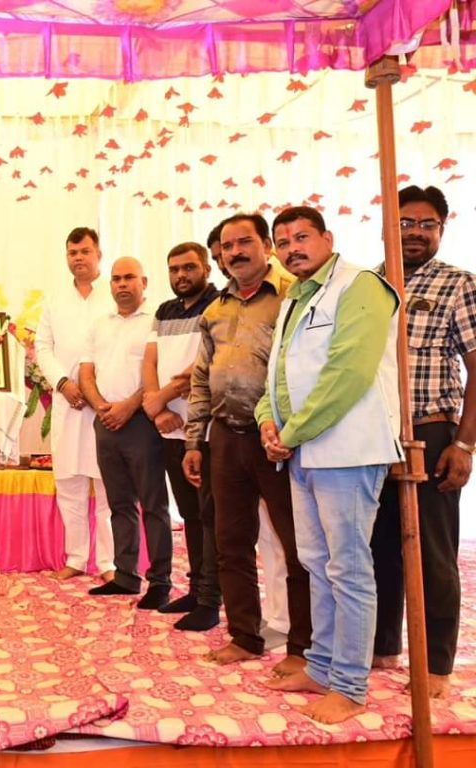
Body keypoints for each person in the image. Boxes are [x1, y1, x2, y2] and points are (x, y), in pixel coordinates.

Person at [257, 206, 399, 723]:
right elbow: (276, 376)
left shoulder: (360, 285)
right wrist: (267, 422)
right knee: (316, 562)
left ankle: (351, 685)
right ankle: (320, 667)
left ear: (327, 238)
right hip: (303, 451)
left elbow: (348, 373)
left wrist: (290, 433)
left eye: (302, 237)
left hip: (348, 450)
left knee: (348, 568)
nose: (292, 248)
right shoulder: (295, 297)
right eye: (283, 241)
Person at [182, 213, 312, 676]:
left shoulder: (294, 296)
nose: (235, 252)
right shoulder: (215, 310)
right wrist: (194, 440)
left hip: (278, 439)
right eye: (227, 246)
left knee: (298, 547)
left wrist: (287, 429)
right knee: (231, 543)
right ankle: (244, 636)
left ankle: (302, 647)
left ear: (266, 246)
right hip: (225, 438)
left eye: (245, 242)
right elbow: (201, 378)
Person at [371, 185, 476, 699]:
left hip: (431, 431)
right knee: (378, 545)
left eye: (426, 224)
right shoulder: (370, 284)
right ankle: (383, 647)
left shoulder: (458, 283)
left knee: (432, 549)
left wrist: (465, 444)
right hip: (373, 433)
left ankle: (435, 664)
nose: (415, 233)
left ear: (442, 229)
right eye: (405, 223)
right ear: (387, 227)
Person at [79, 257, 172, 607]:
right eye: (116, 278)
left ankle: (160, 581)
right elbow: (86, 372)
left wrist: (129, 406)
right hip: (105, 422)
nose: (122, 284)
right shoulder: (99, 324)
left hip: (142, 423)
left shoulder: (156, 321)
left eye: (129, 277)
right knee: (119, 503)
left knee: (153, 504)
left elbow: (159, 371)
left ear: (143, 282)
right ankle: (126, 576)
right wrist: (102, 406)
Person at [142, 242, 221, 630]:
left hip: (206, 429)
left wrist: (163, 396)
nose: (181, 275)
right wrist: (157, 410)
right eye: (174, 269)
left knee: (211, 515)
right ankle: (196, 589)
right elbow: (150, 361)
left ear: (206, 268)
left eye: (189, 267)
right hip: (171, 429)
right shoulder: (164, 311)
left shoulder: (219, 304)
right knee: (189, 513)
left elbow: (205, 363)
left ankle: (211, 599)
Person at [34, 226, 115, 582]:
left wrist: (97, 391)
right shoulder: (55, 299)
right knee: (70, 483)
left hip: (106, 403)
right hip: (68, 402)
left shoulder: (113, 295)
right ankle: (77, 558)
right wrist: (63, 384)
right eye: (72, 252)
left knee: (109, 485)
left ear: (98, 253)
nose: (78, 258)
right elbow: (42, 347)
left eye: (84, 251)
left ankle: (110, 563)